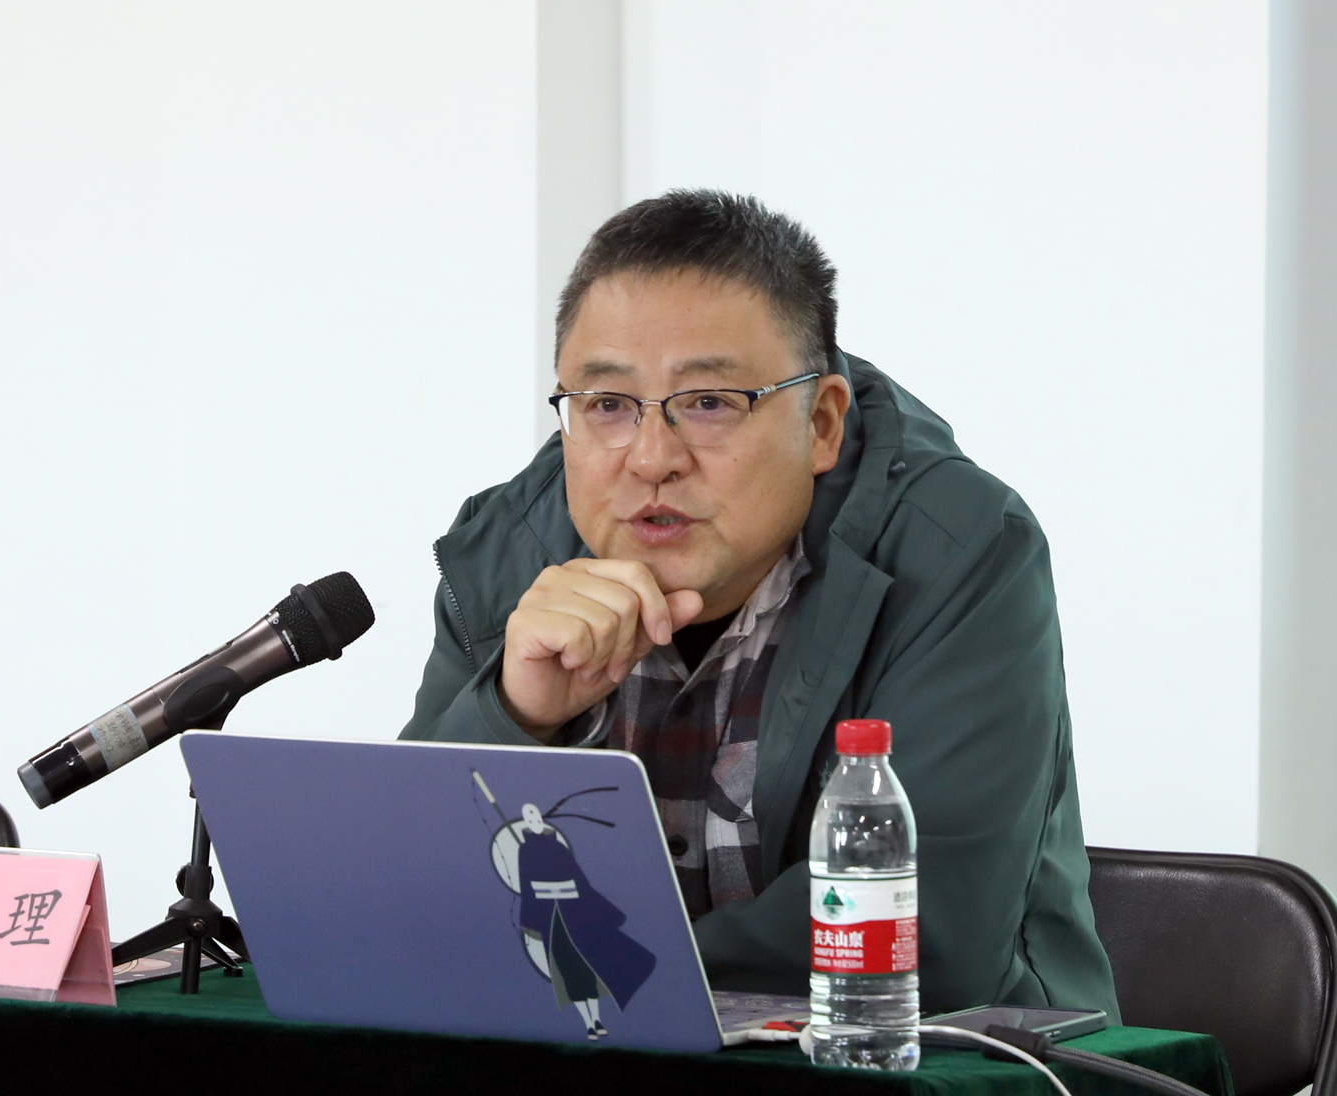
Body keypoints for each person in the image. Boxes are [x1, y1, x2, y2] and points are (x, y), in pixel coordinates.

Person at [401, 190, 1120, 1017]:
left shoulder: (959, 549)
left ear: (822, 423)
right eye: (608, 406)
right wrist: (514, 714)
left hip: (939, 1058)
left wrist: (597, 972)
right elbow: (404, 900)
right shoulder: (508, 548)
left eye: (709, 402)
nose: (652, 459)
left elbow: (930, 935)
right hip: (588, 1047)